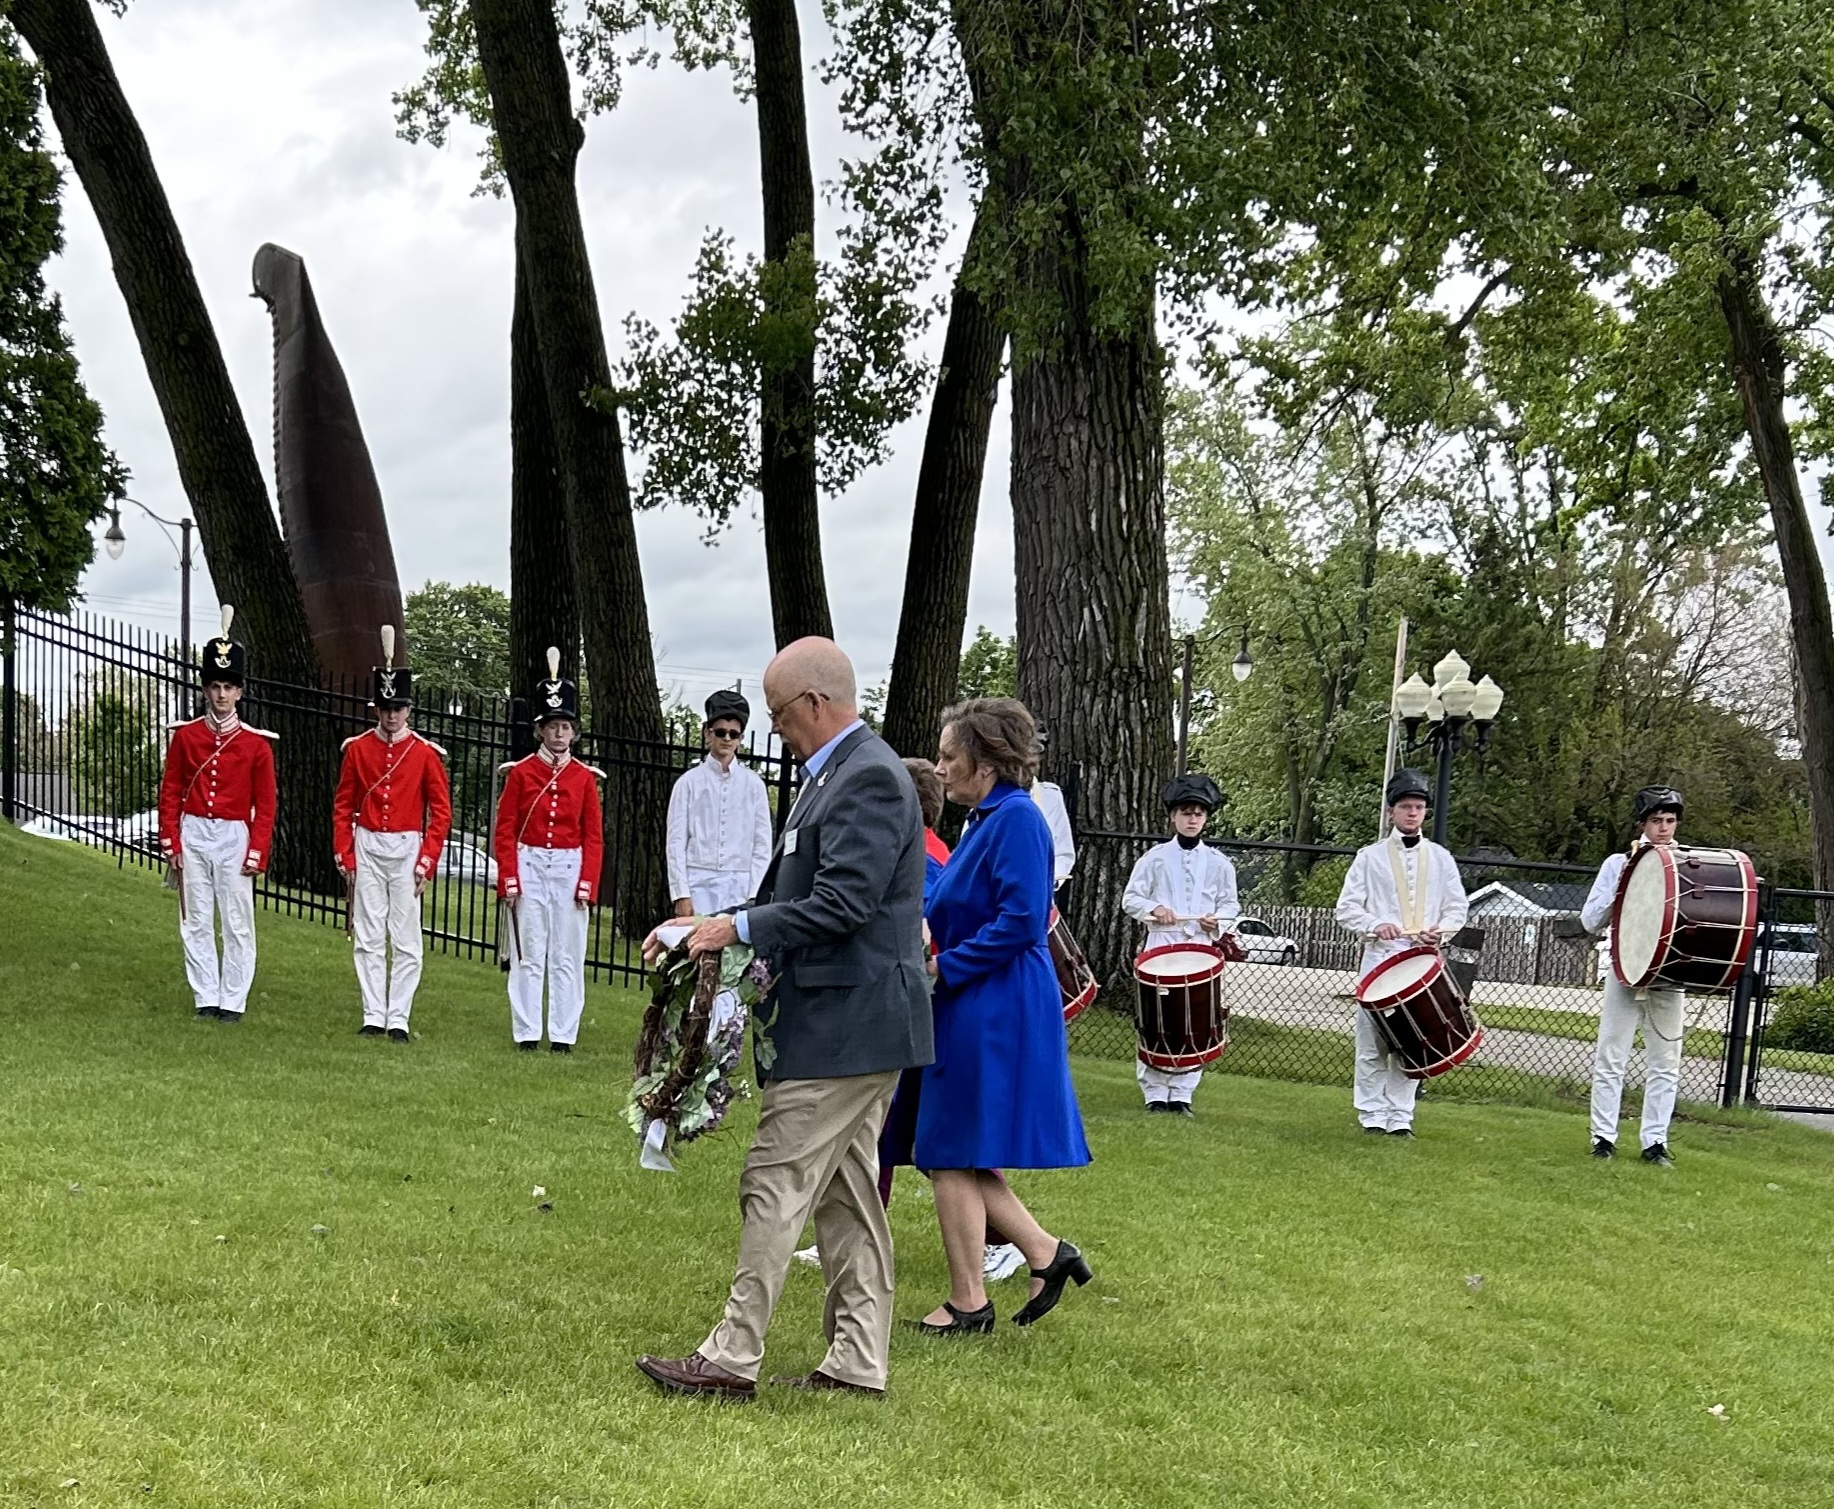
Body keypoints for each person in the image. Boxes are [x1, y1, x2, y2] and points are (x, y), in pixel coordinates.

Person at [636, 637, 933, 1401]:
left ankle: (733, 1354)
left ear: (814, 703)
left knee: (774, 1176)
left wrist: (733, 929)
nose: (774, 730)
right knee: (845, 1193)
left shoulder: (866, 776)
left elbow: (844, 904)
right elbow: (798, 891)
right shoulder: (835, 774)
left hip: (847, 1022)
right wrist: (696, 926)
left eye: (777, 715)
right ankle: (859, 1359)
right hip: (860, 1021)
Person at [912, 697, 1093, 1335]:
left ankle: (972, 1299)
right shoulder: (985, 819)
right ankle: (1043, 1254)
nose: (938, 769)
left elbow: (1021, 921)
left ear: (985, 764)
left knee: (949, 1146)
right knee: (951, 1147)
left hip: (996, 1002)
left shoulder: (1017, 819)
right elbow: (950, 898)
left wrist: (944, 966)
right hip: (976, 997)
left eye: (947, 756)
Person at [156, 606, 277, 1022]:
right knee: (196, 917)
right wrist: (170, 839)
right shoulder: (186, 737)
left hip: (232, 834)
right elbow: (171, 790)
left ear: (240, 692)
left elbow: (266, 805)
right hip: (193, 830)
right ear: (205, 690)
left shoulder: (257, 746)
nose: (221, 694)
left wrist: (257, 850)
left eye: (228, 686)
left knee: (237, 919)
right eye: (214, 686)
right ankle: (205, 994)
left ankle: (234, 999)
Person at [333, 626, 452, 1043]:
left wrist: (426, 860)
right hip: (367, 842)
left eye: (398, 708)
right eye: (386, 708)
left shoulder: (423, 754)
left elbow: (440, 812)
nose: (392, 715)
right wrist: (345, 853)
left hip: (405, 846)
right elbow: (343, 806)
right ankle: (372, 1012)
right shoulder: (358, 750)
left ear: (408, 709)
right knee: (368, 933)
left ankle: (398, 1015)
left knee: (405, 935)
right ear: (377, 708)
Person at [1335, 768, 1468, 1137]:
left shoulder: (1441, 858)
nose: (1413, 813)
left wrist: (1440, 932)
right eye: (1406, 806)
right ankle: (1371, 1115)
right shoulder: (1369, 857)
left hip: (1422, 963)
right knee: (1372, 1043)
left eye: (1419, 807)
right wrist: (1375, 924)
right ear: (1392, 811)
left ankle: (1400, 1117)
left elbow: (1457, 908)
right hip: (1379, 961)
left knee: (1415, 1042)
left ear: (1425, 812)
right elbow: (1346, 908)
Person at [493, 650, 604, 1053]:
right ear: (540, 730)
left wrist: (587, 882)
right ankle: (526, 1030)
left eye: (565, 726)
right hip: (530, 860)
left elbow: (593, 836)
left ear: (573, 732)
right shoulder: (521, 773)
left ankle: (562, 1033)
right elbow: (505, 830)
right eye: (552, 726)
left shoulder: (584, 779)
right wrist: (509, 876)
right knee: (529, 950)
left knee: (567, 953)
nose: (559, 734)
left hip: (569, 864)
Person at [1582, 785, 1688, 1166]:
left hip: (1668, 973)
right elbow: (1590, 920)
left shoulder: (1686, 864)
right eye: (1657, 821)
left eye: (1670, 821)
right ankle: (1603, 1138)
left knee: (1666, 1059)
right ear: (1643, 823)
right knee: (1612, 1055)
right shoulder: (1616, 863)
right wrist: (1624, 884)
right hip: (1625, 968)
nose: (1664, 828)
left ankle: (1655, 1141)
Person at [1122, 772, 1240, 1114]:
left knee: (1197, 1016)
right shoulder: (1154, 858)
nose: (1192, 819)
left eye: (1198, 814)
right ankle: (1155, 1091)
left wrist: (1216, 921)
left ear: (1206, 819)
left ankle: (1183, 1092)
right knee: (1158, 1017)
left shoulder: (1220, 863)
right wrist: (1154, 909)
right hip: (1161, 942)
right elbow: (1131, 898)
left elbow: (1230, 905)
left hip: (1200, 946)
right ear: (1173, 816)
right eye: (1186, 812)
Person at [666, 688, 773, 918]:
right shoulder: (688, 783)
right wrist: (681, 894)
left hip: (740, 887)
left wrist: (755, 894)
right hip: (698, 885)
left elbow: (762, 846)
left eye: (733, 734)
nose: (727, 739)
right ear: (708, 733)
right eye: (721, 732)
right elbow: (675, 843)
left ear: (740, 739)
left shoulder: (754, 786)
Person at [1031, 719, 1076, 901]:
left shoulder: (1050, 796)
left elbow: (1064, 852)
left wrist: (1050, 879)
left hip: (1038, 899)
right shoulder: (987, 797)